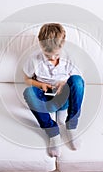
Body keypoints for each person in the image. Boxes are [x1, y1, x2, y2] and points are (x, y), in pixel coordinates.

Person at [23, 23, 84, 157]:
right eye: (47, 54)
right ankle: (53, 132)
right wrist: (40, 85)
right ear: (40, 45)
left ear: (62, 45)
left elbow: (76, 81)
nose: (52, 58)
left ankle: (71, 126)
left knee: (78, 81)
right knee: (29, 92)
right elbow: (27, 79)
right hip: (46, 100)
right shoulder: (33, 58)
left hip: (65, 98)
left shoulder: (70, 57)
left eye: (56, 55)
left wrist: (64, 83)